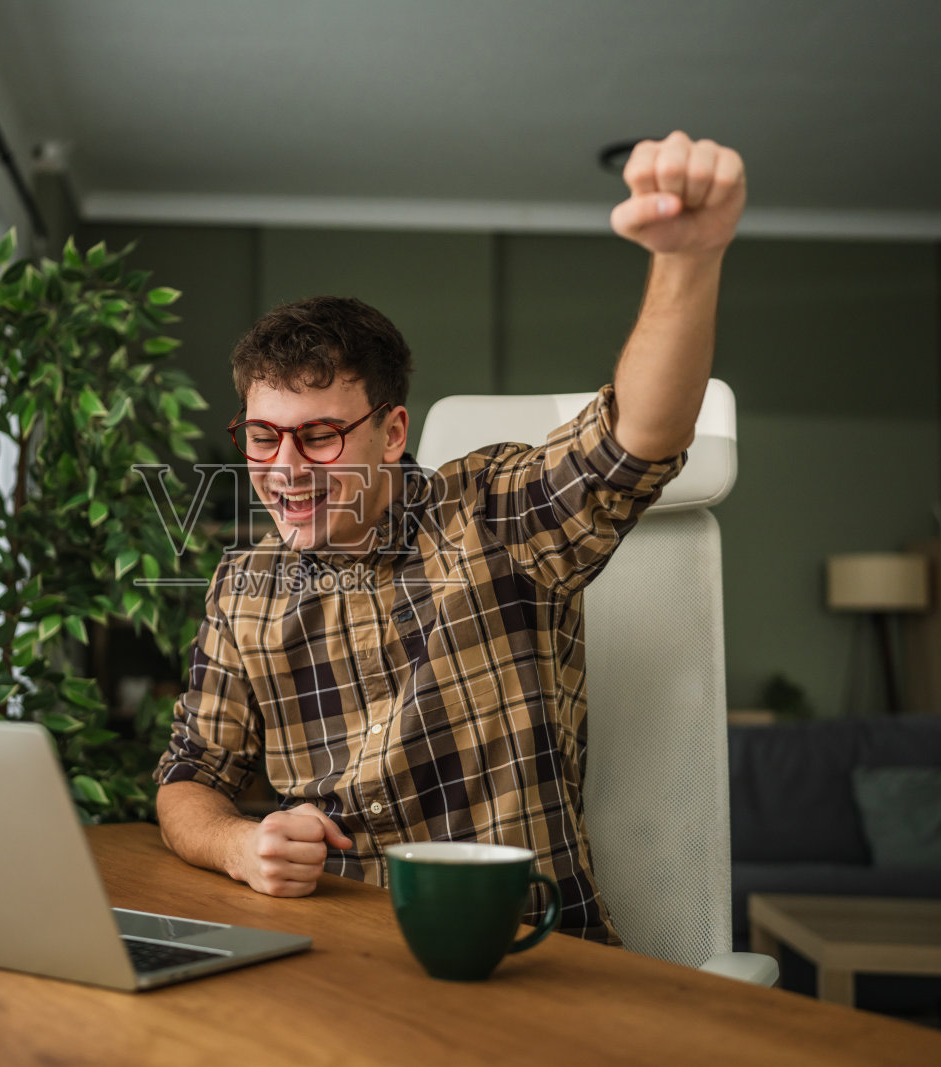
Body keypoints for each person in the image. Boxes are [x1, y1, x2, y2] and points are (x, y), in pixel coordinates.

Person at [152, 131, 745, 942]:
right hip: (344, 958)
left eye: (318, 435)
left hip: (526, 959)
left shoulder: (492, 515)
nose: (283, 467)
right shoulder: (243, 586)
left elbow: (634, 440)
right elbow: (190, 775)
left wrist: (688, 260)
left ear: (392, 431)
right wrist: (240, 845)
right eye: (262, 436)